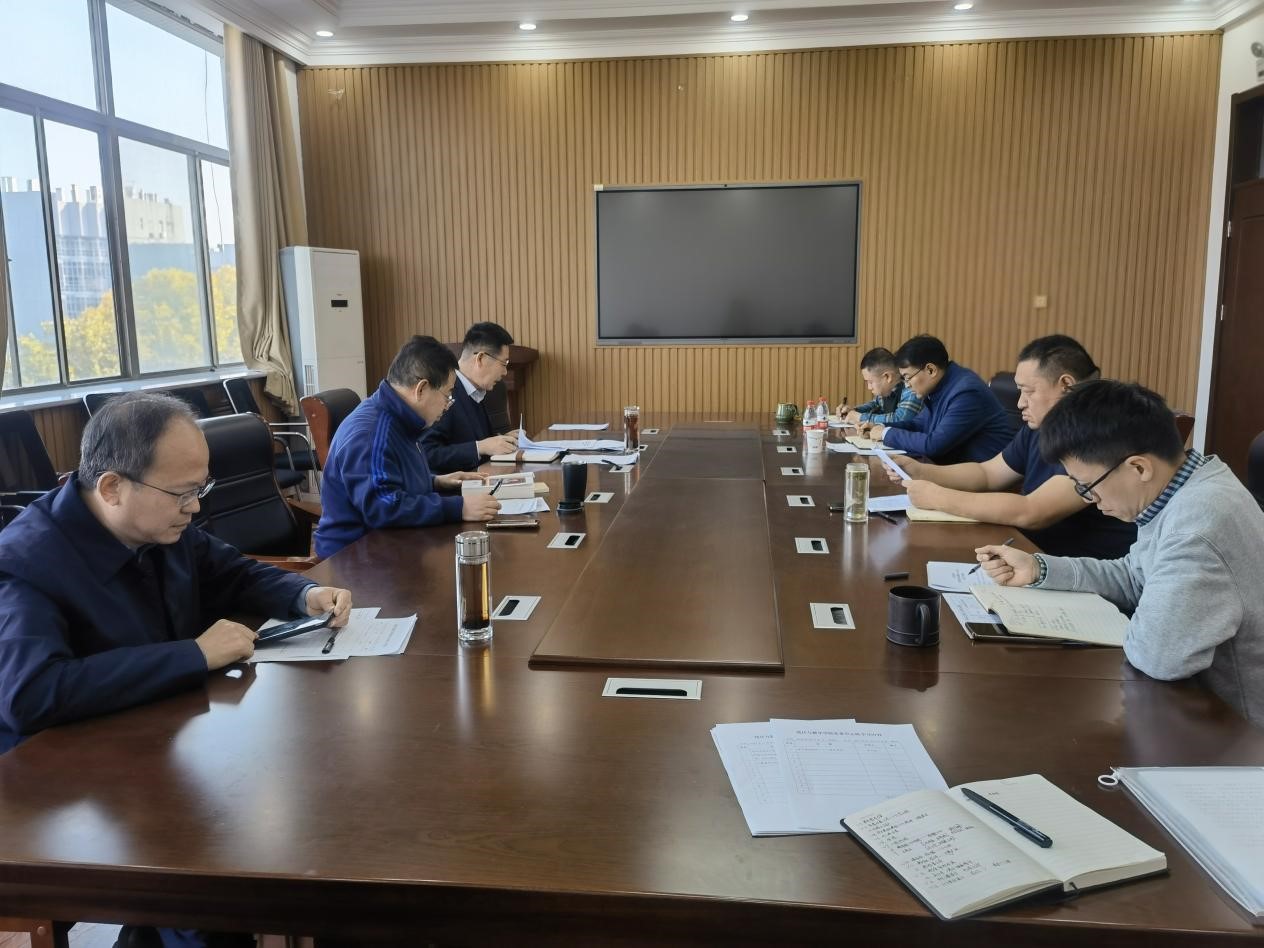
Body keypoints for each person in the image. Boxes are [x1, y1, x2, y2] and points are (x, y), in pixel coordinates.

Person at [0, 392, 352, 754]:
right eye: (181, 493)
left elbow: (234, 573)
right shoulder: (24, 563)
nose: (195, 506)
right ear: (112, 488)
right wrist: (194, 655)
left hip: (165, 732)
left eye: (200, 488)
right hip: (68, 764)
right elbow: (29, 695)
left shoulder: (160, 526)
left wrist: (303, 595)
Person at [975, 380, 1264, 727]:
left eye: (1088, 486)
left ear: (1139, 467)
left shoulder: (1195, 529)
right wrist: (1040, 569)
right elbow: (1135, 575)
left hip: (1235, 733)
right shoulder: (1184, 483)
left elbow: (1158, 656)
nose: (1090, 499)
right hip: (1191, 705)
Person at [886, 335, 1136, 558]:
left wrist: (939, 498)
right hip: (1032, 553)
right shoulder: (1039, 426)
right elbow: (987, 474)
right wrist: (920, 471)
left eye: (1028, 391)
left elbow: (1034, 511)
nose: (1019, 404)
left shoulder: (1099, 433)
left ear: (1066, 385)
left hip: (1080, 569)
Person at [316, 335, 500, 558]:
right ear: (421, 389)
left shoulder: (401, 417)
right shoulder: (371, 434)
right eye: (447, 395)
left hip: (391, 544)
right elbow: (383, 506)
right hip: (354, 557)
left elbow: (390, 478)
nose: (448, 405)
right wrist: (459, 507)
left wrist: (435, 481)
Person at [869, 334, 1012, 463]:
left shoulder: (966, 392)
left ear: (931, 370)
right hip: (954, 467)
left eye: (908, 378)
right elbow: (919, 424)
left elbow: (933, 445)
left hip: (984, 477)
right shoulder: (942, 385)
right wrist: (881, 427)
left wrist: (886, 434)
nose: (907, 385)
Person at [420, 321, 520, 473]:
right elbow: (427, 453)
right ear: (480, 358)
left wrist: (502, 439)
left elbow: (473, 439)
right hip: (456, 485)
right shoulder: (443, 391)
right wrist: (480, 447)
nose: (505, 372)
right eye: (504, 363)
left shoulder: (476, 390)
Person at [835, 347, 922, 428]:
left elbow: (900, 419)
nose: (869, 387)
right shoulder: (888, 390)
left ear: (887, 377)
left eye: (870, 382)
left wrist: (860, 417)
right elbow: (875, 404)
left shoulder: (911, 389)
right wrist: (853, 411)